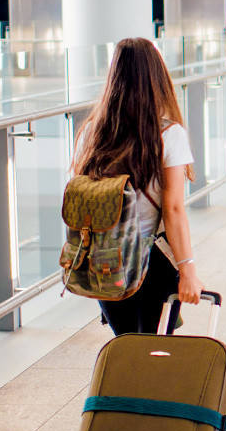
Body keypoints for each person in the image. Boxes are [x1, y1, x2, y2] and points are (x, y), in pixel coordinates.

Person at [71, 37, 202, 334]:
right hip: (153, 261)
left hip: (105, 260)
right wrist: (188, 269)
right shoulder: (169, 134)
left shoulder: (92, 133)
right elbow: (172, 209)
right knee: (155, 351)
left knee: (126, 346)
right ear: (158, 77)